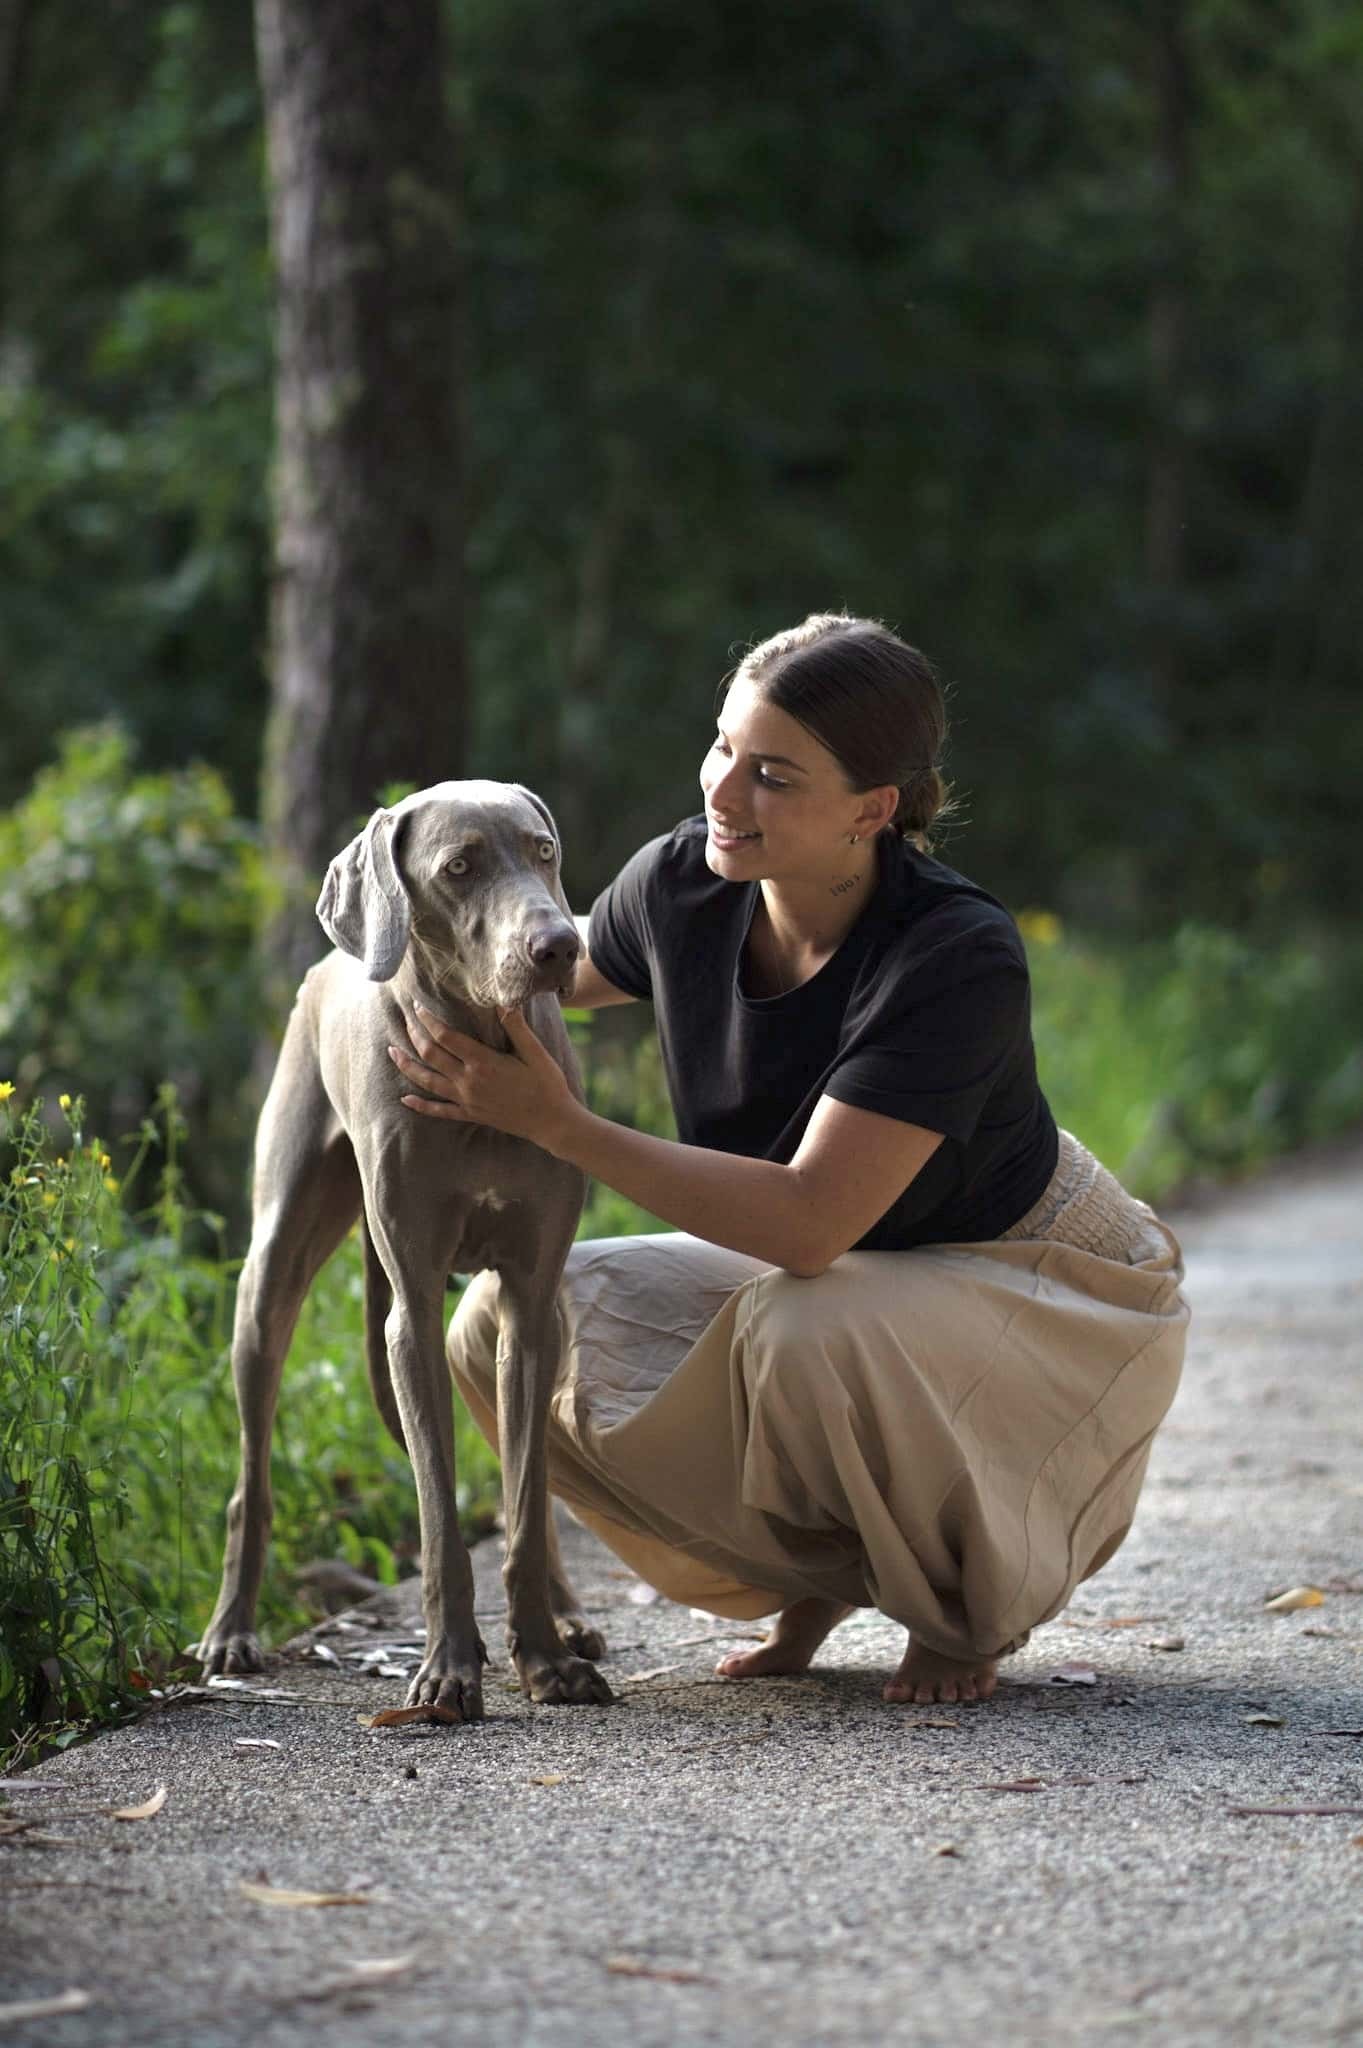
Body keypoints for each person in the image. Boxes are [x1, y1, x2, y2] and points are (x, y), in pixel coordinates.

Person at [388, 612, 1190, 1705]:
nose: (722, 792)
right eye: (722, 747)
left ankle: (958, 1600)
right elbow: (531, 964)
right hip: (850, 1289)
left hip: (1042, 1280)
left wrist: (561, 1124)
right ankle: (824, 1576)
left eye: (771, 773)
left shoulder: (954, 953)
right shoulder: (681, 882)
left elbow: (812, 1222)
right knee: (502, 1323)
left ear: (874, 808)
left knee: (796, 1325)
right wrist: (393, 940)